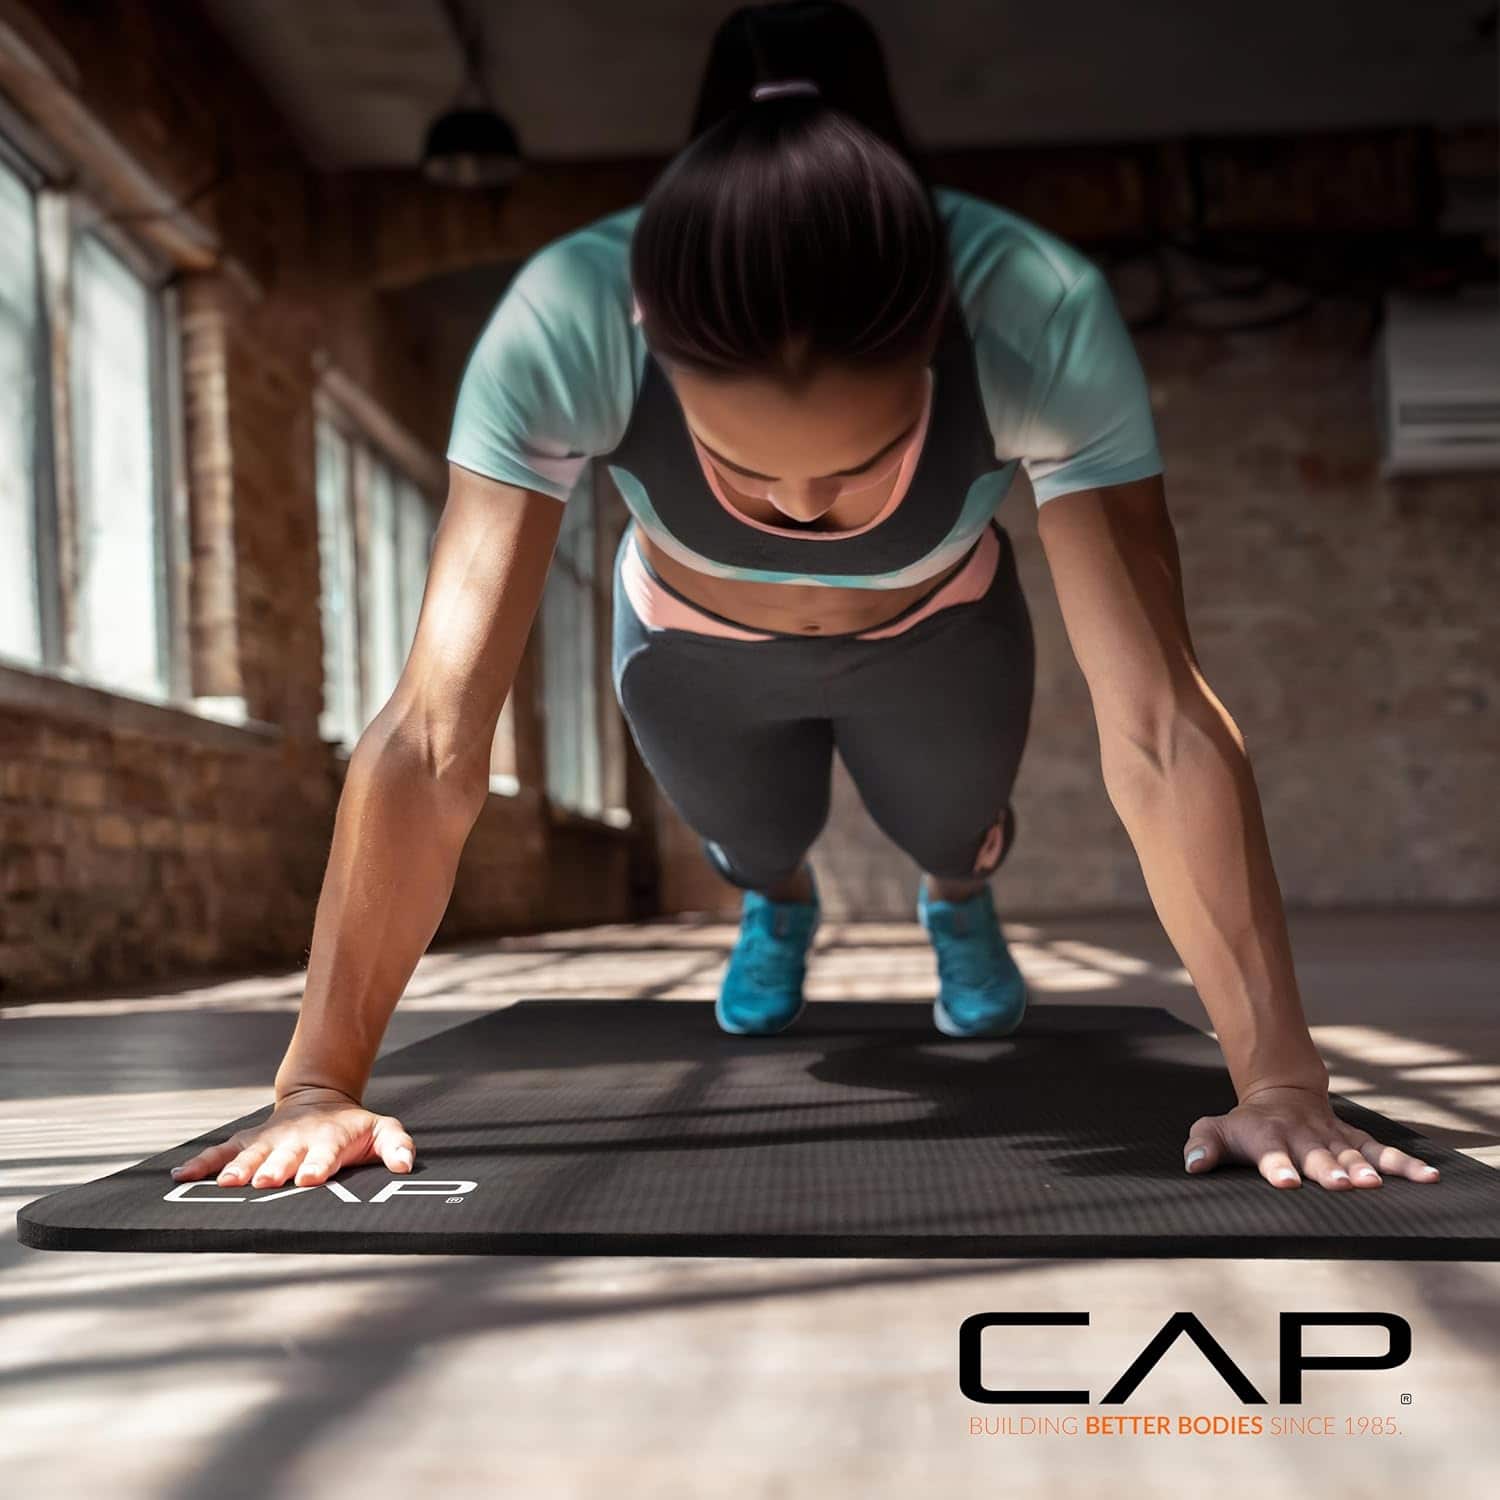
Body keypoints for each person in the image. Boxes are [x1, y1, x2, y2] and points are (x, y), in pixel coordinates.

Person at [168, 1, 1441, 1199]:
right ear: (649, 326)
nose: (800, 506)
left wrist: (1283, 1079)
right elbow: (434, 729)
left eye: (856, 464)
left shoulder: (1035, 312)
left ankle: (956, 896)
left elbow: (1163, 724)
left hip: (937, 633)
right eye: (742, 465)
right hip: (692, 651)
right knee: (757, 845)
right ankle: (777, 906)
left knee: (950, 828)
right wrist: (315, 1084)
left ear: (943, 335)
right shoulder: (567, 318)